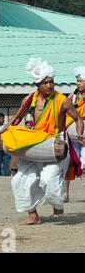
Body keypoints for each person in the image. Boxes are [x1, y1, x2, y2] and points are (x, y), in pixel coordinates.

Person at [0, 57, 84, 225]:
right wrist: (3, 130)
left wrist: (79, 134)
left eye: (52, 81)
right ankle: (33, 215)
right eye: (46, 82)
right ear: (37, 85)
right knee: (19, 180)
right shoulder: (29, 99)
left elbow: (78, 118)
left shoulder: (62, 100)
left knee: (48, 179)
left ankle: (57, 203)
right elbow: (17, 117)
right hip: (35, 143)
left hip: (57, 144)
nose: (50, 85)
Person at [64, 66, 85, 203]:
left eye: (81, 81)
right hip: (70, 137)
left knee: (83, 165)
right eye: (77, 81)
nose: (78, 83)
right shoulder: (71, 97)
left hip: (83, 138)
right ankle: (65, 193)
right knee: (67, 163)